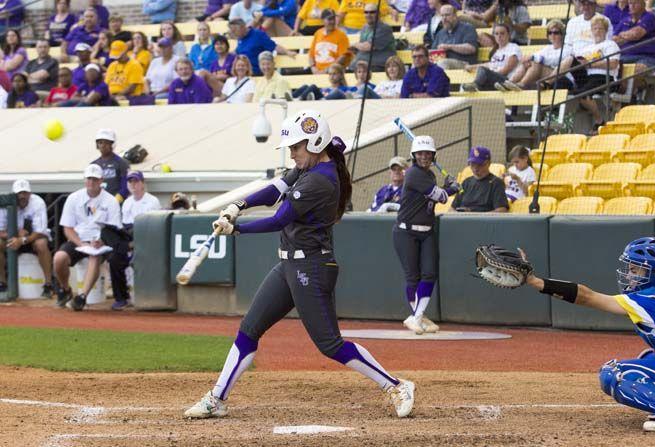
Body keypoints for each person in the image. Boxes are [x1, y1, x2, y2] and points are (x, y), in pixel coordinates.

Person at [183, 109, 416, 420]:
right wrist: (239, 204)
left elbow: (279, 218)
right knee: (249, 329)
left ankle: (396, 385)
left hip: (313, 268)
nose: (292, 154)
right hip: (289, 266)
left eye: (296, 147)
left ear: (315, 142)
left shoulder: (320, 179)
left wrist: (236, 228)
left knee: (330, 345)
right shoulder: (309, 167)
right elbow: (276, 189)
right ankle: (217, 398)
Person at [507, 236, 655, 432]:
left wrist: (536, 282)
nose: (630, 275)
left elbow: (587, 297)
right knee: (649, 357)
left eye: (636, 270)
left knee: (614, 374)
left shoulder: (651, 298)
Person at [393, 135, 459, 334]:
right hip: (406, 232)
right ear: (414, 155)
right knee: (412, 277)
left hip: (427, 231)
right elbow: (440, 196)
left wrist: (447, 187)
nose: (424, 156)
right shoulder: (413, 174)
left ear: (433, 155)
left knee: (430, 273)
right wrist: (452, 188)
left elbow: (437, 195)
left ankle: (417, 316)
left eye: (428, 153)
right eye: (420, 153)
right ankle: (417, 317)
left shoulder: (429, 175)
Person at [53, 164, 124, 311]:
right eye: (89, 179)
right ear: (85, 180)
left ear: (101, 181)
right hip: (78, 239)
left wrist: (101, 241)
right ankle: (66, 290)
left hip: (101, 241)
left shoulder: (111, 201)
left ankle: (82, 297)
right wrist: (81, 243)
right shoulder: (74, 198)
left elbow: (114, 228)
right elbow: (67, 228)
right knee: (59, 258)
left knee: (94, 257)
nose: (91, 182)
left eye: (95, 179)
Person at [0, 179, 52, 297]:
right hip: (12, 237)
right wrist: (16, 235)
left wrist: (22, 239)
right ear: (13, 194)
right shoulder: (4, 203)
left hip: (33, 237)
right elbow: (0, 231)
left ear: (30, 193)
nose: (22, 196)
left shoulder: (38, 202)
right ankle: (2, 283)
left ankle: (48, 284)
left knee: (41, 244)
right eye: (19, 193)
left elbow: (40, 231)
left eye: (25, 193)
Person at [572, 17, 620, 130]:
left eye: (600, 28)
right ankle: (553, 81)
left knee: (582, 93)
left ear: (606, 30)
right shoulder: (587, 48)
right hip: (587, 76)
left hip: (604, 77)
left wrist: (591, 65)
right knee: (570, 59)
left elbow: (613, 64)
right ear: (591, 31)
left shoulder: (610, 45)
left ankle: (599, 120)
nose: (597, 31)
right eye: (595, 28)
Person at [504, 19, 574, 91]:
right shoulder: (548, 48)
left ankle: (521, 84)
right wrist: (528, 60)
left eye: (556, 33)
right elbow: (535, 57)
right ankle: (510, 82)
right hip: (549, 77)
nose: (552, 35)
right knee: (528, 63)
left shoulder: (568, 48)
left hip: (563, 79)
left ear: (562, 34)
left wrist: (534, 58)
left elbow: (554, 61)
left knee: (536, 63)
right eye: (550, 33)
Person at [462, 23, 521, 92]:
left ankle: (475, 85)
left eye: (502, 33)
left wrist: (491, 75)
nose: (499, 36)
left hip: (506, 80)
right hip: (494, 80)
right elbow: (490, 65)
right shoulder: (496, 51)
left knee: (483, 72)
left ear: (508, 35)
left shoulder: (513, 47)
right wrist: (472, 67)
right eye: (496, 34)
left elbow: (508, 68)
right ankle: (474, 88)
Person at [227, 18, 296, 76]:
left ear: (242, 27)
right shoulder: (240, 38)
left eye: (234, 30)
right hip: (243, 70)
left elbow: (274, 46)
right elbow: (239, 51)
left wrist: (287, 52)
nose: (233, 33)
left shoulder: (258, 35)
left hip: (256, 71)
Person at [450, 146, 508, 212]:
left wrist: (474, 217)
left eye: (479, 165)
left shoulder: (496, 183)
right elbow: (452, 208)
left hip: (484, 221)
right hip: (461, 220)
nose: (475, 168)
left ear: (488, 163)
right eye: (472, 164)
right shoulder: (466, 183)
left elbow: (501, 210)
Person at [614, 0, 655, 72]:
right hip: (625, 57)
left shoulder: (649, 17)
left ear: (643, 4)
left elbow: (637, 34)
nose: (632, 6)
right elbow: (614, 40)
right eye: (630, 3)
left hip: (646, 57)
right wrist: (629, 35)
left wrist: (622, 35)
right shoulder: (624, 20)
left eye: (635, 3)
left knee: (636, 70)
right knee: (611, 67)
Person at [350, 3, 396, 72]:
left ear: (378, 14)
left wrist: (354, 45)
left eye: (372, 12)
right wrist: (353, 49)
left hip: (379, 66)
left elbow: (367, 47)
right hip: (361, 66)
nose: (368, 15)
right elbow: (361, 47)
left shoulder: (384, 28)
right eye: (366, 12)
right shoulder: (365, 27)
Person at [431, 4, 478, 69]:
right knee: (419, 62)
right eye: (442, 15)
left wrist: (449, 47)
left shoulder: (467, 28)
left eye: (447, 15)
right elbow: (433, 51)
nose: (444, 18)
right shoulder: (440, 33)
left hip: (465, 63)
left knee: (443, 63)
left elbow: (471, 49)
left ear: (455, 16)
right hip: (443, 62)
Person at [308, 9, 351, 74]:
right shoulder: (318, 33)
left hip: (333, 72)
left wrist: (326, 70)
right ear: (322, 21)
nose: (333, 21)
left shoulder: (341, 35)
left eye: (334, 19)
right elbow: (311, 55)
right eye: (329, 19)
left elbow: (343, 57)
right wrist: (313, 68)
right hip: (316, 71)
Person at [91, 128, 130, 201]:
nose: (103, 145)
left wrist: (115, 202)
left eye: (106, 142)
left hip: (116, 203)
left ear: (112, 144)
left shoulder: (122, 163)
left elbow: (125, 186)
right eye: (100, 142)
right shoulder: (93, 165)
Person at [121, 171, 160, 236]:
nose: (132, 184)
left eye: (135, 181)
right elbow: (125, 223)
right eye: (130, 181)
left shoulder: (153, 201)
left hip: (146, 234)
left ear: (143, 183)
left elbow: (156, 226)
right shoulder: (126, 202)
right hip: (129, 232)